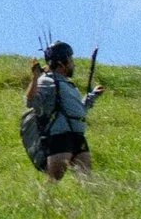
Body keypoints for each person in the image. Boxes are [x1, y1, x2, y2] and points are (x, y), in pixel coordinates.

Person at [26, 40, 102, 181]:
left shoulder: (67, 84)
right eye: (71, 60)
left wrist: (92, 96)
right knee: (54, 180)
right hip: (60, 137)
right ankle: (44, 202)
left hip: (77, 136)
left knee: (87, 181)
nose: (74, 64)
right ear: (61, 64)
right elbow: (30, 101)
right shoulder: (46, 81)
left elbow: (78, 110)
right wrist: (35, 78)